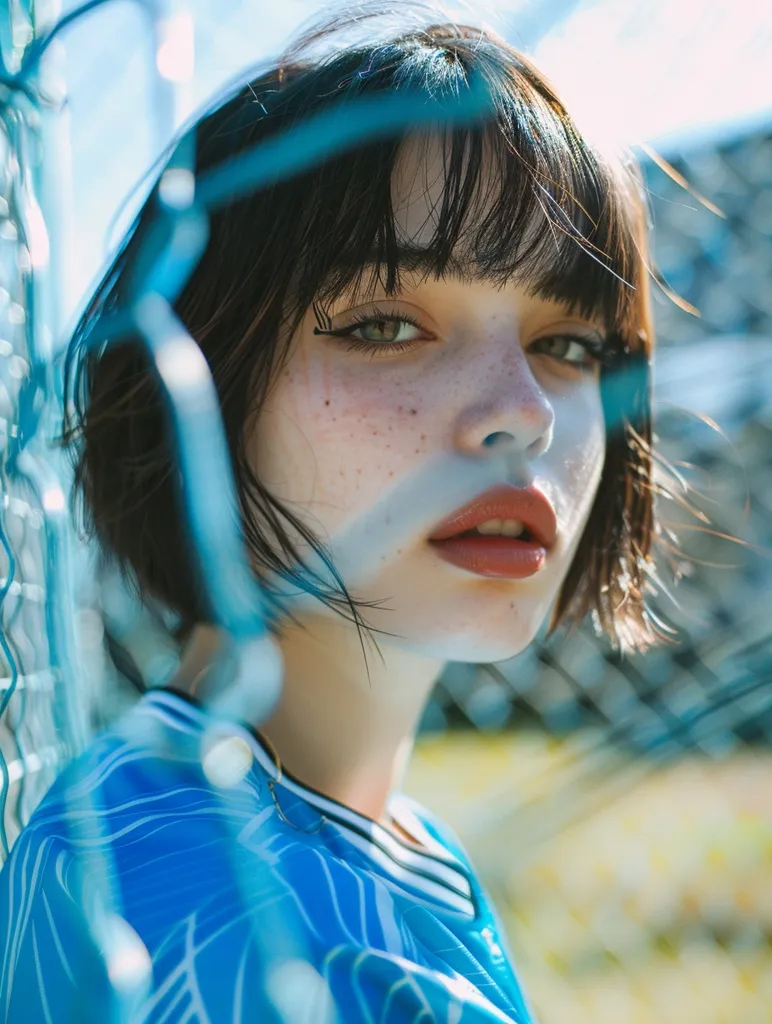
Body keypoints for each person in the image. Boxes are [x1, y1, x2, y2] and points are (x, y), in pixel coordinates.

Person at [0, 2, 663, 1020]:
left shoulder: (345, 836)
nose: (523, 413)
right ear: (194, 387)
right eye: (385, 323)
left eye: (569, 344)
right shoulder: (232, 926)